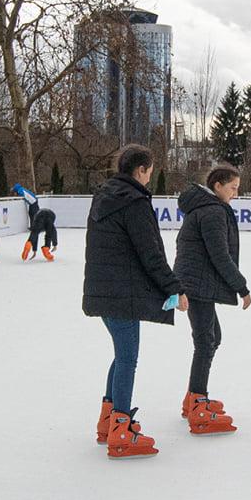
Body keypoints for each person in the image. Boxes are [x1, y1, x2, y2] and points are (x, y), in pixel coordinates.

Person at [82, 144, 187, 459]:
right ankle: (121, 430)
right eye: (150, 172)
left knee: (120, 356)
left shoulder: (104, 197)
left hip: (104, 291)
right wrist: (174, 288)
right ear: (141, 170)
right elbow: (151, 253)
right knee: (128, 359)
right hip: (121, 293)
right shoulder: (134, 202)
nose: (149, 178)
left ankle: (108, 421)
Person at [174, 164, 251, 434]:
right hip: (197, 285)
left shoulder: (204, 208)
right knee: (206, 340)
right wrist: (241, 286)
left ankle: (193, 398)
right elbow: (220, 255)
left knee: (211, 337)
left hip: (195, 282)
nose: (235, 194)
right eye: (233, 188)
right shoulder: (212, 212)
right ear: (217, 186)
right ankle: (197, 402)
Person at [15, 184, 59, 261]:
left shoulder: (21, 190)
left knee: (35, 232)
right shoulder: (51, 219)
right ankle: (46, 248)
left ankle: (29, 244)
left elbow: (35, 232)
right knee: (48, 234)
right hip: (42, 213)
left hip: (38, 215)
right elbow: (52, 233)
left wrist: (34, 250)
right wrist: (55, 244)